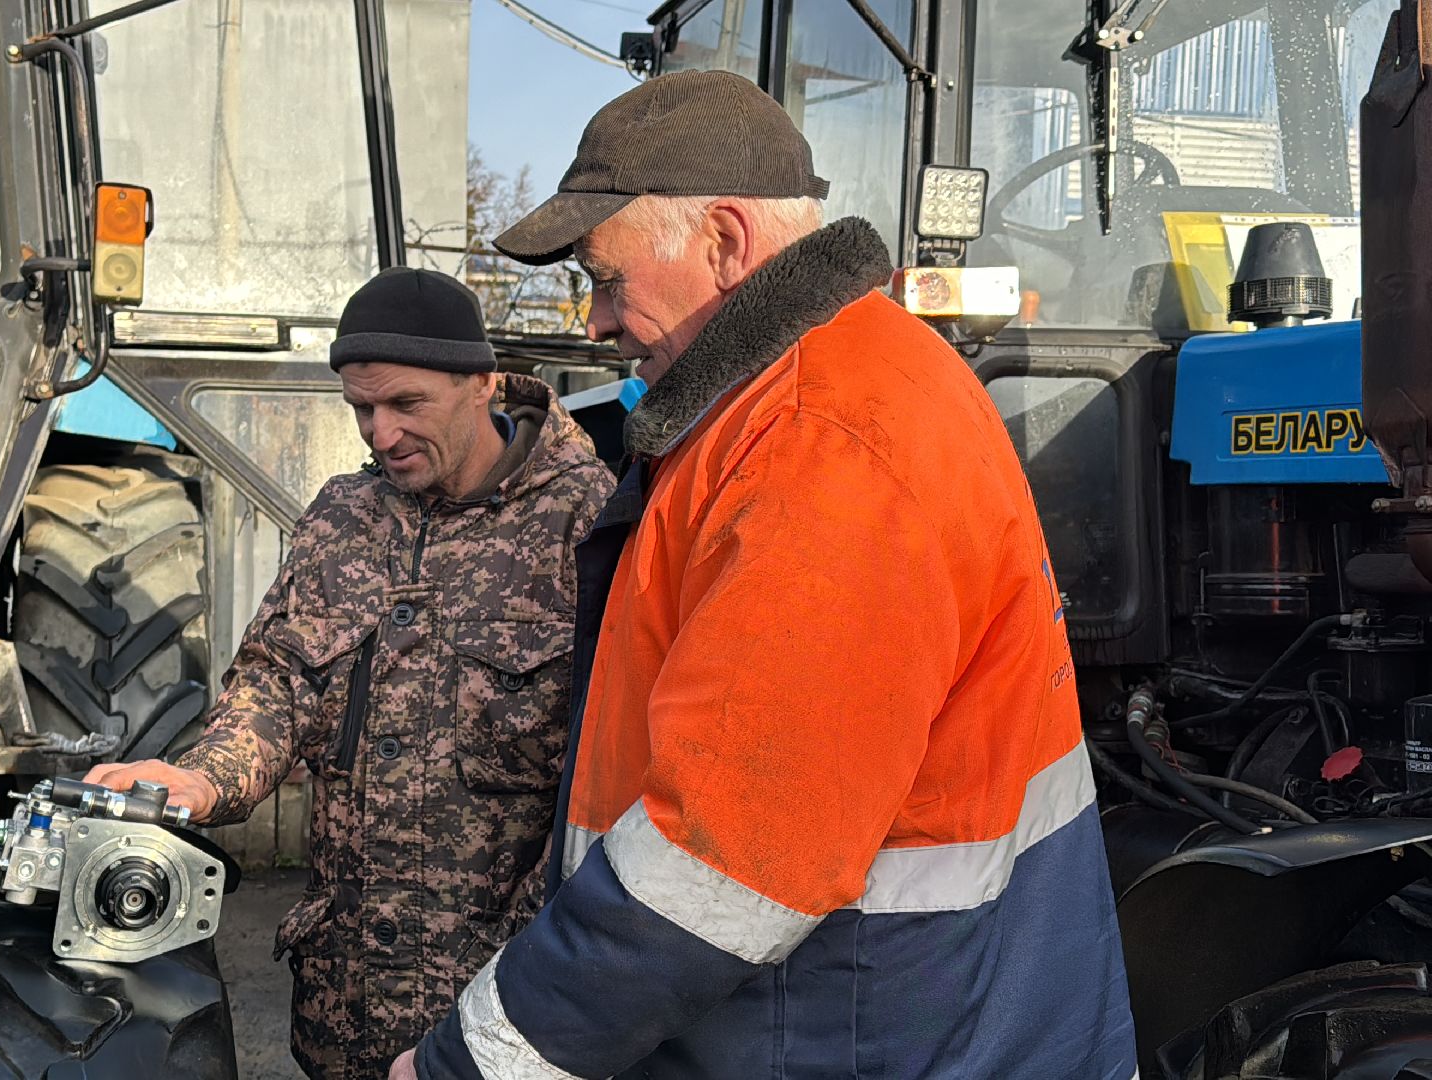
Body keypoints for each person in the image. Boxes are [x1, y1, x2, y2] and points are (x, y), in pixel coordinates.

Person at [394, 70, 1137, 1079]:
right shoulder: (811, 395)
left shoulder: (818, 444)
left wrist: (480, 1059)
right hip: (873, 1012)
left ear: (727, 244)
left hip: (857, 1032)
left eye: (607, 279)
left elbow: (724, 855)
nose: (595, 321)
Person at [85, 266, 615, 1080]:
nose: (379, 432)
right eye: (361, 409)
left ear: (481, 384)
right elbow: (277, 682)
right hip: (347, 1004)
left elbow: (607, 773)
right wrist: (200, 780)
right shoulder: (343, 516)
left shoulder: (583, 522)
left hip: (491, 1016)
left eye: (406, 405)